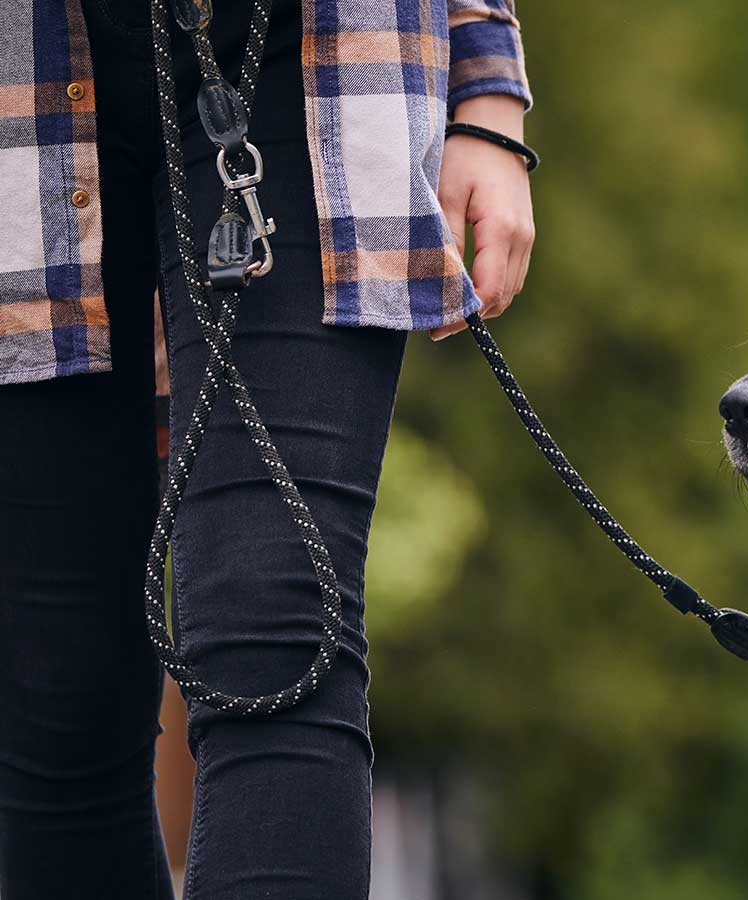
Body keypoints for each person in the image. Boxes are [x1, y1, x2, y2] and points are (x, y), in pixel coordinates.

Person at [0, 0, 534, 896]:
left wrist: (485, 88)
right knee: (56, 691)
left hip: (313, 62)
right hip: (21, 76)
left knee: (281, 636)